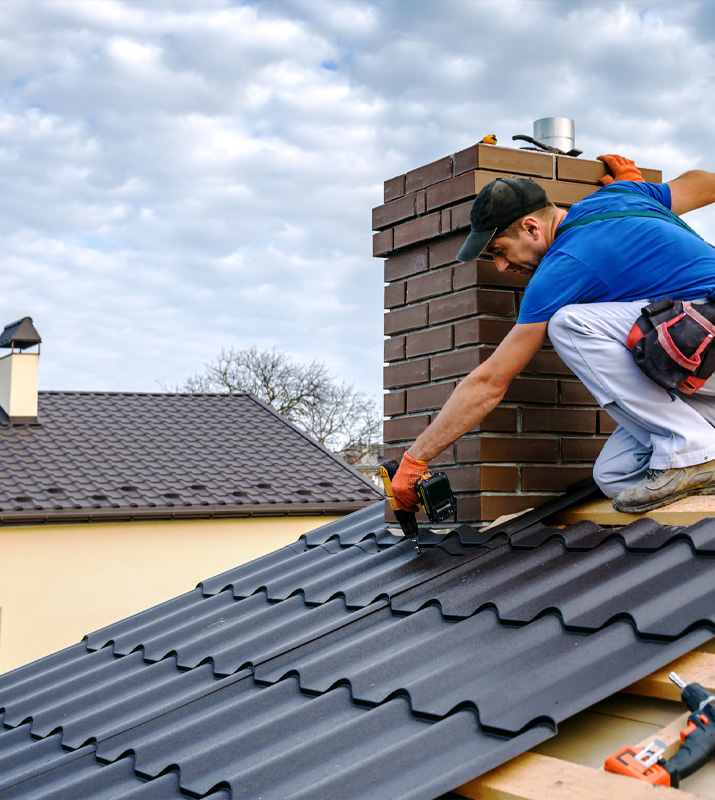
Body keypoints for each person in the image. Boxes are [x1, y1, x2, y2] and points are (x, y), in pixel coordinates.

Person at [391, 154, 715, 515]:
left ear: (532, 227)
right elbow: (706, 183)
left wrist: (416, 459)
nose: (500, 266)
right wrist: (639, 192)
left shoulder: (562, 266)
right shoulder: (623, 195)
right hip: (700, 366)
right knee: (616, 475)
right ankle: (697, 453)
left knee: (570, 324)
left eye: (500, 250)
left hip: (707, 341)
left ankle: (693, 448)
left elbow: (490, 382)